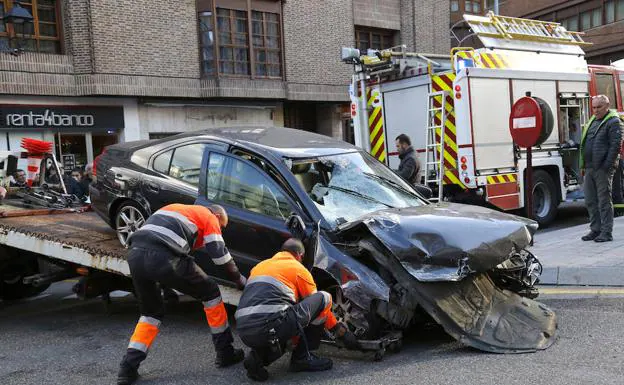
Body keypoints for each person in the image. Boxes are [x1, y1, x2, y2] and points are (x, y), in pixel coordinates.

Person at [117, 203, 247, 385]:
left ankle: (127, 369)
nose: (220, 230)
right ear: (217, 216)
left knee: (150, 314)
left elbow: (154, 240)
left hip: (135, 255)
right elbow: (220, 256)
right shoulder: (208, 216)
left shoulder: (174, 209)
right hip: (166, 256)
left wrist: (168, 288)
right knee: (211, 292)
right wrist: (239, 280)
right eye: (221, 227)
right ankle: (225, 352)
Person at [236, 238, 359, 382]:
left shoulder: (259, 266)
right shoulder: (298, 268)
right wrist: (340, 331)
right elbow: (320, 307)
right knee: (324, 297)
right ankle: (302, 358)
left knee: (283, 327)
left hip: (244, 329)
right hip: (272, 325)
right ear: (300, 255)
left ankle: (257, 359)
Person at [580, 95, 624, 242]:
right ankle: (595, 230)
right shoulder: (593, 121)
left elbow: (615, 146)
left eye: (599, 107)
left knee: (604, 201)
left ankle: (606, 232)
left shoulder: (613, 121)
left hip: (603, 168)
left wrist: (606, 166)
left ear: (607, 106)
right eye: (593, 107)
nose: (596, 110)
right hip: (590, 167)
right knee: (590, 200)